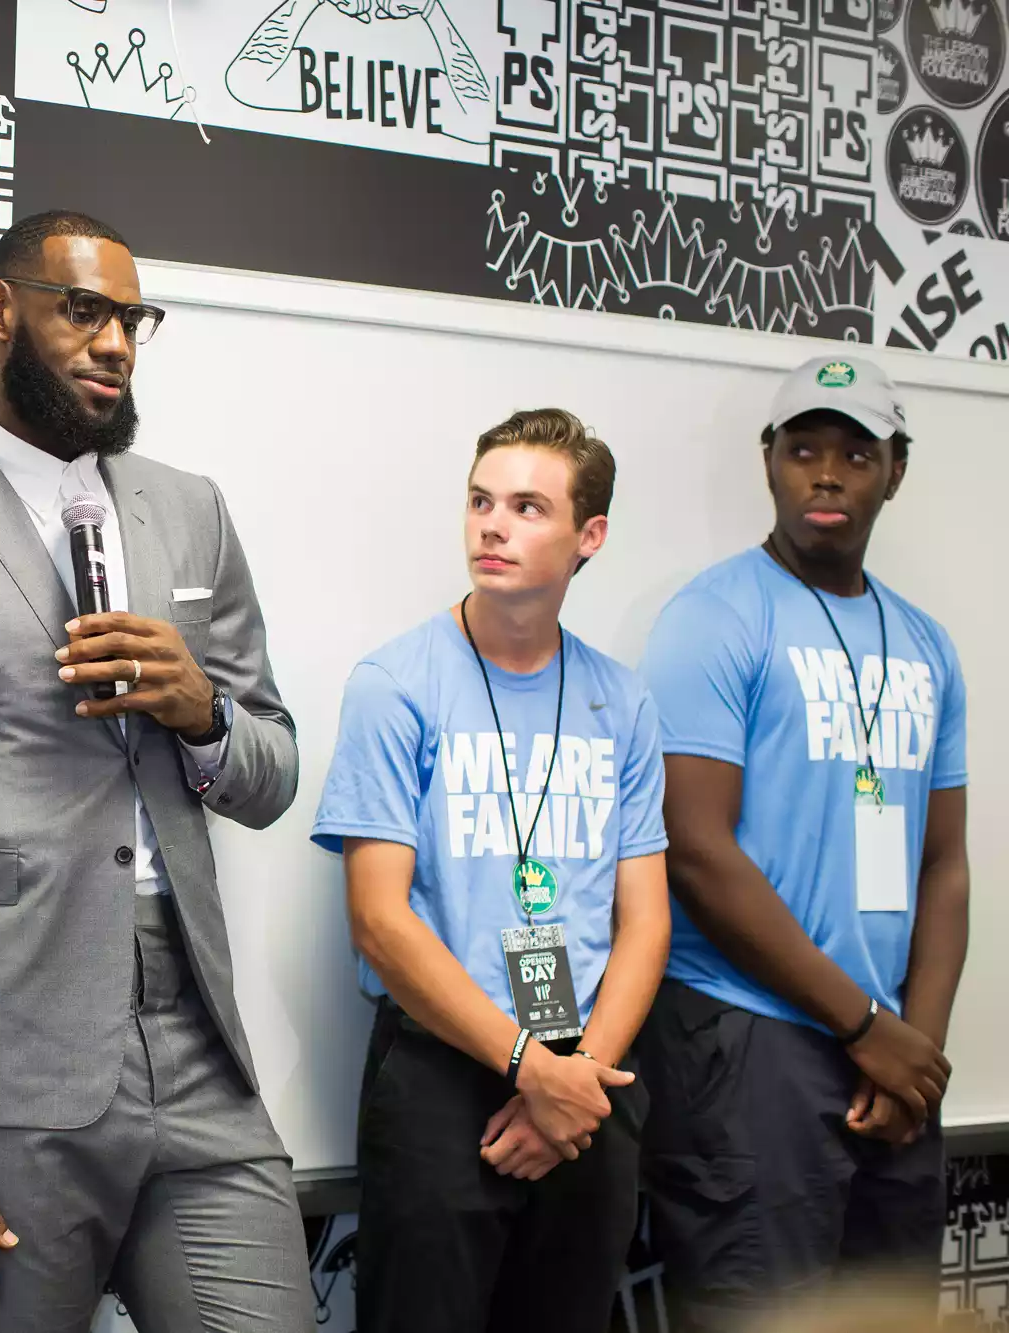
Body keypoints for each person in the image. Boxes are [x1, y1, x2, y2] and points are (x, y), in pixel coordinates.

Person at [0, 210, 314, 1332]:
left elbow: (267, 774)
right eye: (82, 309)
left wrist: (201, 710)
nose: (114, 341)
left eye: (132, 319)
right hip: (3, 1066)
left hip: (197, 1044)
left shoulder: (190, 510)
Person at [310, 409, 670, 1333]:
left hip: (591, 1075)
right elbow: (380, 922)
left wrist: (574, 1081)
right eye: (480, 501)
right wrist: (523, 1067)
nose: (492, 525)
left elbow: (646, 922)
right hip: (443, 1070)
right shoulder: (395, 685)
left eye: (526, 506)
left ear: (588, 536)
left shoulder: (620, 700)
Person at [636, 355, 967, 1329]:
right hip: (751, 1034)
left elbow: (941, 864)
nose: (825, 473)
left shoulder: (924, 644)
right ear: (768, 463)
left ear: (892, 471)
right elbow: (693, 848)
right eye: (803, 449)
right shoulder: (714, 616)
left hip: (891, 1053)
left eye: (854, 453)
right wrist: (865, 1029)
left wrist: (917, 1049)